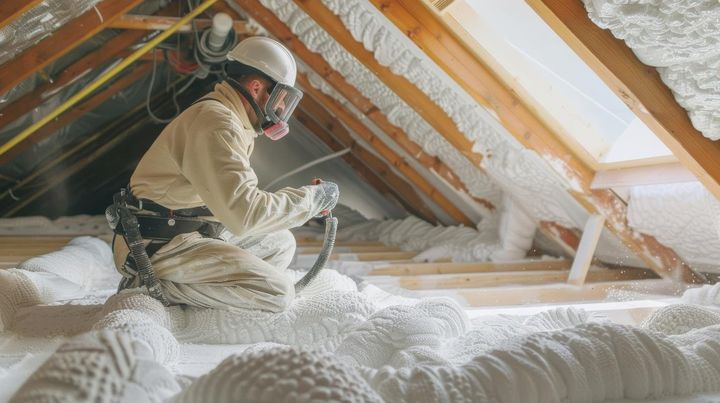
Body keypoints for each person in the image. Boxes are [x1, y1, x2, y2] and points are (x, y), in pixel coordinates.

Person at [111, 37, 339, 312]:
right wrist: (311, 200)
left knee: (279, 243)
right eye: (280, 98)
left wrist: (304, 205)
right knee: (277, 294)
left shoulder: (230, 120)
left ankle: (203, 290)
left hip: (184, 229)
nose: (280, 109)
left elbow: (236, 203)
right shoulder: (217, 124)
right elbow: (245, 214)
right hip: (159, 246)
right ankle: (148, 284)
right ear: (256, 88)